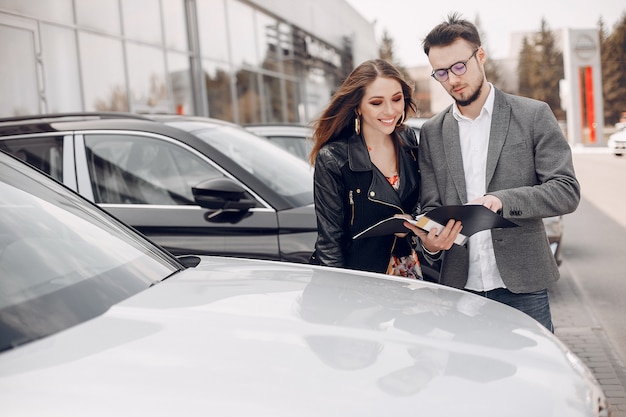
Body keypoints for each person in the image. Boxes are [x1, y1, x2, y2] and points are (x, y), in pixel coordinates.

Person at [406, 13, 580, 332]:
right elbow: (431, 206)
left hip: (523, 287)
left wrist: (501, 201)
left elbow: (566, 190)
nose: (453, 79)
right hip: (460, 288)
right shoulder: (431, 132)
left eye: (460, 66)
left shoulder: (533, 115)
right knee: (469, 379)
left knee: (534, 378)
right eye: (441, 73)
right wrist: (432, 242)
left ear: (480, 56)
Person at [309, 59, 460, 279]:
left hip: (407, 270)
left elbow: (420, 202)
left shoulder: (407, 140)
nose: (390, 110)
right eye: (376, 103)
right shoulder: (333, 158)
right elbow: (329, 242)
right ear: (357, 106)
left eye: (396, 99)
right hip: (361, 279)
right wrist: (340, 298)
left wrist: (412, 225)